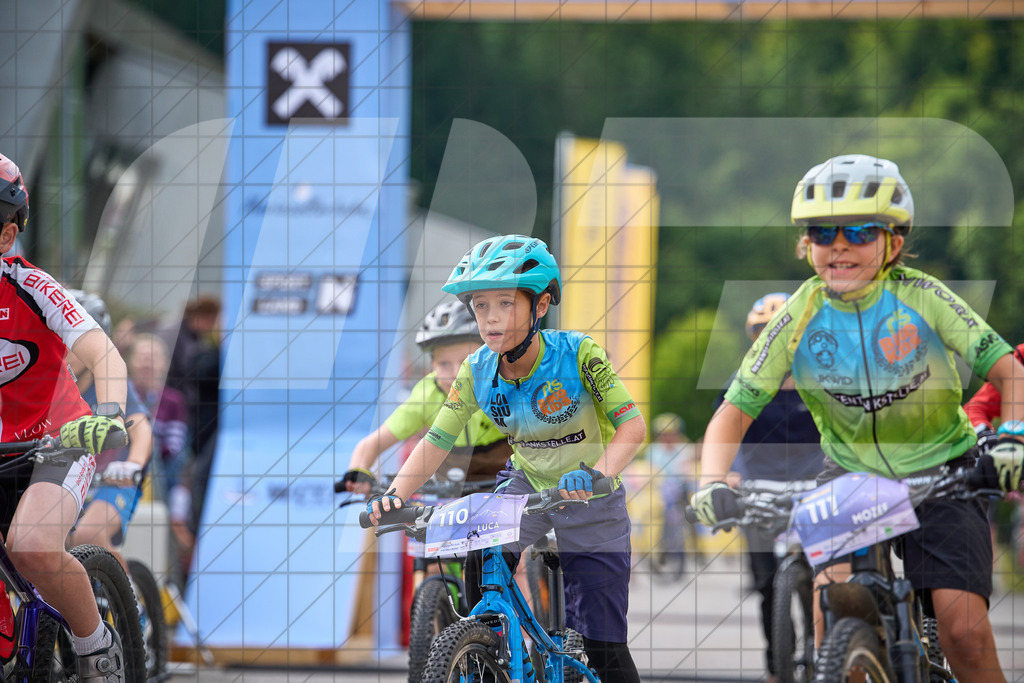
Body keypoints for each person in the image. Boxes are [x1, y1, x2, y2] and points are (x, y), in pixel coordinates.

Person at [691, 154, 1024, 683]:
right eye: (822, 232)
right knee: (835, 610)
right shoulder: (797, 315)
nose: (839, 244)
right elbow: (732, 413)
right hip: (851, 473)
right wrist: (710, 481)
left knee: (963, 632)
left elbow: (1011, 372)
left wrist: (1013, 437)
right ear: (806, 245)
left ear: (892, 242)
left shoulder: (924, 296)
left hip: (944, 467)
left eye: (860, 231)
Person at [367, 235, 647, 682]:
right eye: (480, 306)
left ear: (540, 306)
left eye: (504, 303)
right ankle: (492, 648)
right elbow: (437, 438)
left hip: (592, 494)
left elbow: (633, 427)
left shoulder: (578, 355)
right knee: (481, 547)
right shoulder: (476, 368)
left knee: (605, 647)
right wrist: (393, 496)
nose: (490, 318)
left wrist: (597, 475)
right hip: (527, 482)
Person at [0, 153, 130, 683]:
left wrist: (110, 412)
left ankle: (97, 649)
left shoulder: (34, 287)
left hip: (57, 443)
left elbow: (104, 355)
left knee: (29, 545)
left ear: (6, 236)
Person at [714, 292, 824, 682]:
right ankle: (777, 667)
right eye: (763, 333)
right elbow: (726, 434)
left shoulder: (822, 380)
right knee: (766, 585)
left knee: (825, 579)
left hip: (816, 486)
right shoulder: (743, 382)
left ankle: (824, 651)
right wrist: (726, 475)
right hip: (758, 488)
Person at [339, 299, 511, 493]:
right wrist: (357, 472)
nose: (456, 373)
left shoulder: (504, 383)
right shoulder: (426, 394)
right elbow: (371, 444)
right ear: (432, 365)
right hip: (449, 501)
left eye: (466, 360)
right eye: (444, 364)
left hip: (507, 488)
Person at [66, 291, 154, 572]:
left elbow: (141, 429)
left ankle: (133, 611)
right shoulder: (52, 385)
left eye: (75, 343)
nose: (63, 350)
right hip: (70, 478)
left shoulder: (111, 380)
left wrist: (133, 466)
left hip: (114, 478)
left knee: (89, 534)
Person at [130, 334, 189, 497]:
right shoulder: (121, 394)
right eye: (143, 357)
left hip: (158, 476)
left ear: (165, 364)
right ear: (131, 362)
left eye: (154, 358)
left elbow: (175, 447)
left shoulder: (173, 401)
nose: (148, 364)